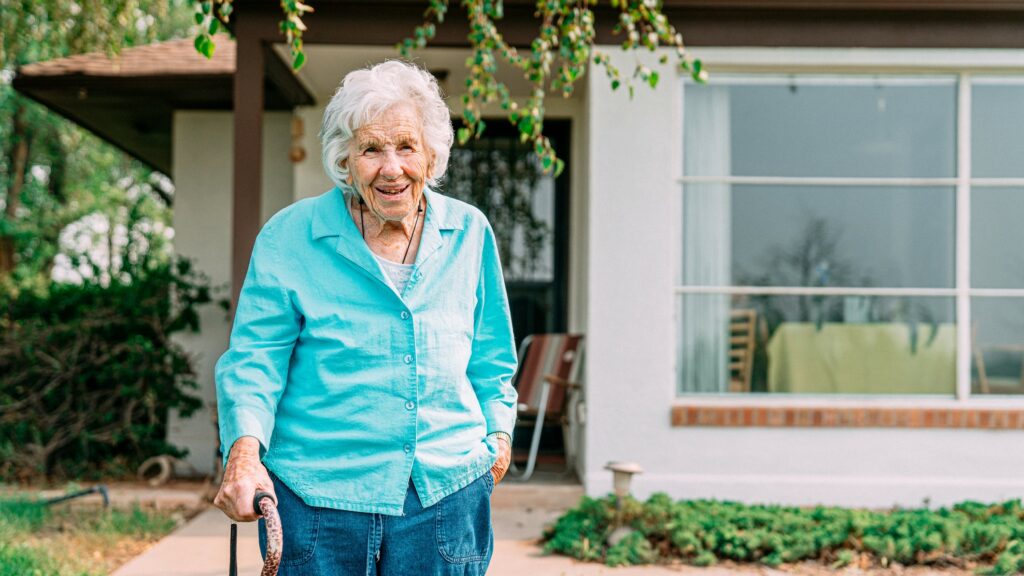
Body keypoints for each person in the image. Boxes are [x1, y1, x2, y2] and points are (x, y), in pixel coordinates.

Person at [213, 60, 518, 575]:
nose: (391, 168)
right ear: (344, 160)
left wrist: (499, 442)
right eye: (371, 149)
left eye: (406, 146)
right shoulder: (290, 237)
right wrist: (243, 454)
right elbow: (255, 360)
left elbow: (492, 356)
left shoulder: (470, 233)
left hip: (444, 497)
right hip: (317, 500)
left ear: (431, 154)